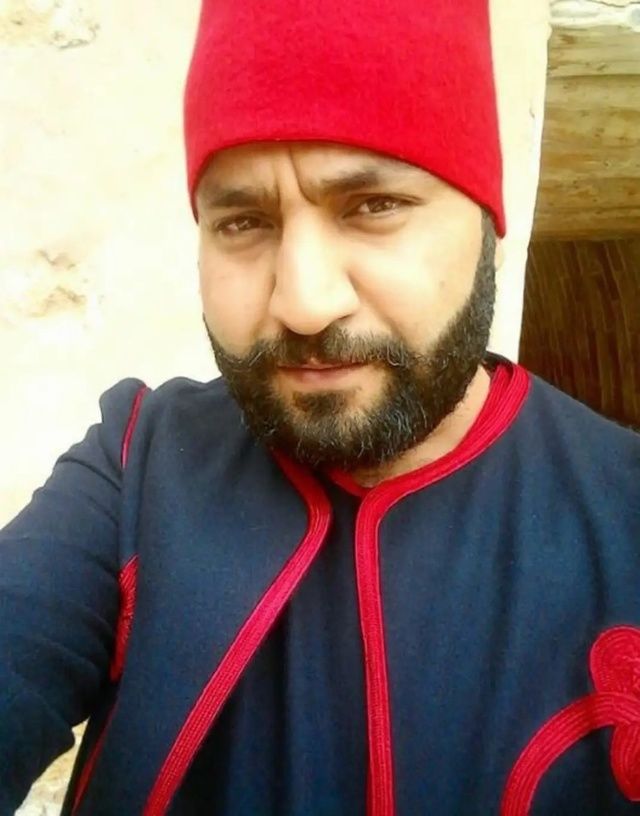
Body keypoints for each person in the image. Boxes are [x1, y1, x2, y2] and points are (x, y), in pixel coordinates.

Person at [1, 0, 639, 814]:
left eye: (374, 206)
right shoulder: (138, 466)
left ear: (486, 220)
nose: (304, 302)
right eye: (244, 222)